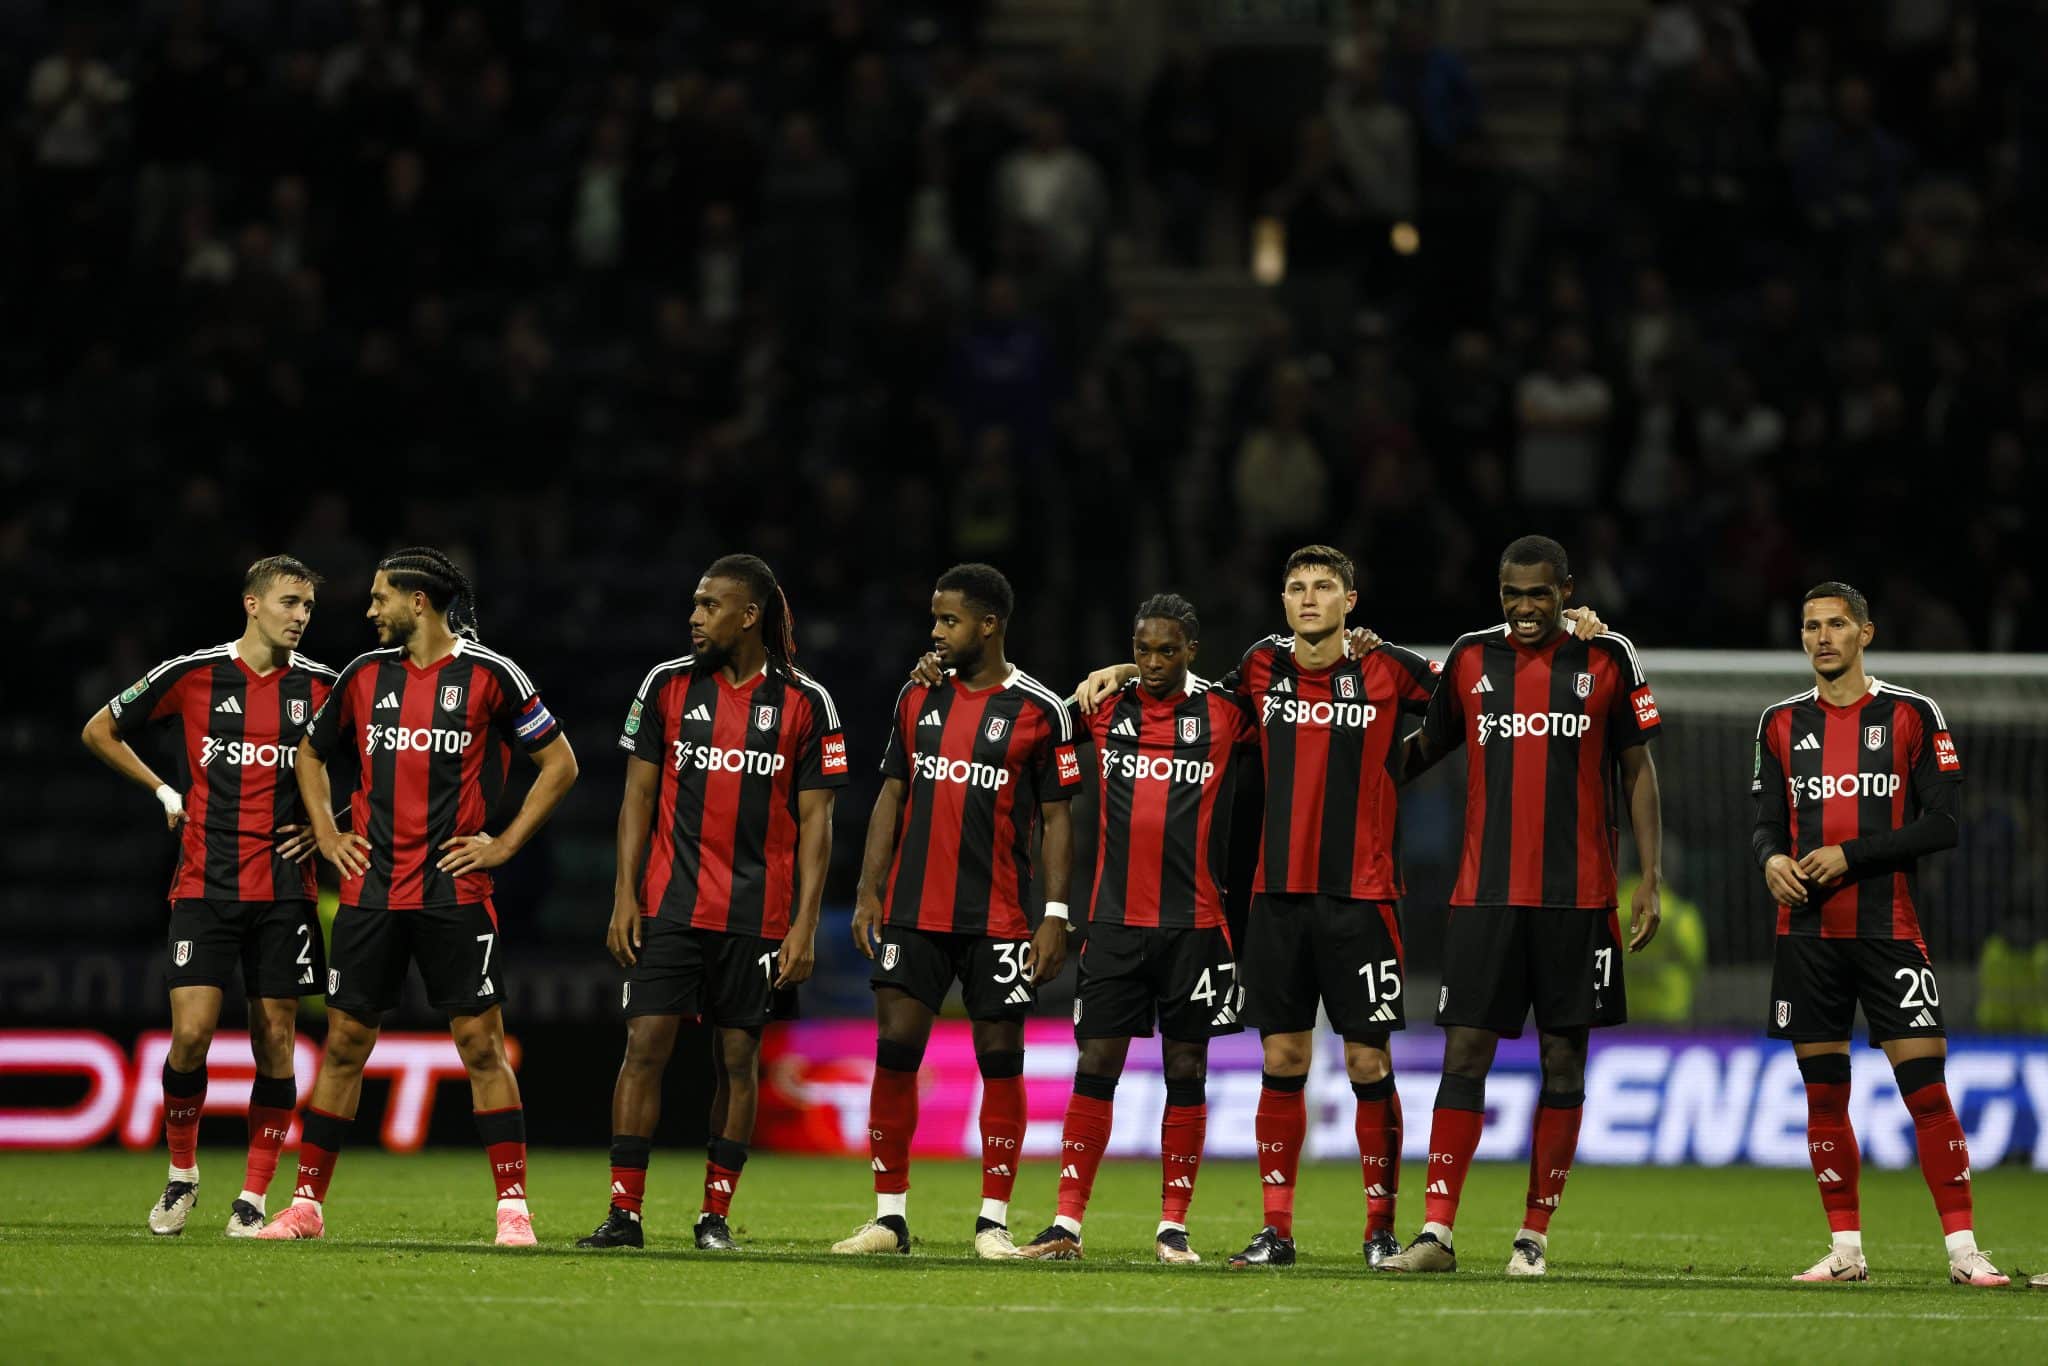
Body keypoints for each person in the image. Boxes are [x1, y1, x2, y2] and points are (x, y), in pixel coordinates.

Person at [1072, 547, 1597, 1269]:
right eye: (1296, 587)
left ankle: (1380, 1229)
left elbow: (1480, 682)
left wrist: (1575, 627)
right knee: (1283, 1056)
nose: (1309, 598)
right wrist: (1127, 672)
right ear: (1283, 602)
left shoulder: (1391, 667)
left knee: (1366, 1060)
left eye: (1324, 587)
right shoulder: (1259, 666)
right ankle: (1276, 1230)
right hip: (1277, 897)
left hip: (1364, 897)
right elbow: (1188, 693)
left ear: (1351, 600)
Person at [258, 548, 579, 1245]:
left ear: (419, 602)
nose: (370, 609)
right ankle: (306, 1206)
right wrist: (326, 832)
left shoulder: (492, 675)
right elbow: (310, 753)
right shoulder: (363, 675)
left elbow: (560, 763)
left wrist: (505, 844)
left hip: (454, 891)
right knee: (345, 1044)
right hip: (370, 892)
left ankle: (513, 1208)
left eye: (381, 597)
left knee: (480, 1044)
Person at [1380, 535, 1661, 1279]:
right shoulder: (1471, 657)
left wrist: (1650, 877)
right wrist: (1355, 775)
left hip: (1580, 899)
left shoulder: (1608, 656)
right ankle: (1436, 1232)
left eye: (1539, 593)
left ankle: (1533, 1235)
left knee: (1563, 1061)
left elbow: (1637, 768)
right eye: (1512, 593)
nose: (1525, 607)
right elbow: (1426, 745)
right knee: (1464, 1054)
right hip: (1485, 896)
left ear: (1566, 590)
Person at [579, 555, 846, 1252]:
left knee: (738, 1060)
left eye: (709, 605)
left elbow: (818, 823)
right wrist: (624, 896)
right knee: (644, 1046)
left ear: (749, 615)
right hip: (669, 906)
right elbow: (637, 797)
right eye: (694, 605)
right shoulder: (665, 685)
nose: (694, 618)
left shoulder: (807, 702)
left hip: (758, 915)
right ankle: (624, 1213)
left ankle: (714, 1215)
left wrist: (804, 926)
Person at [1749, 581, 2007, 1287]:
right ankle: (1845, 1251)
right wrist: (1771, 860)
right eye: (1811, 626)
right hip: (1806, 934)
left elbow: (1943, 824)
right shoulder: (1778, 723)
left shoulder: (1912, 714)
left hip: (1888, 930)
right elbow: (1766, 823)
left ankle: (1964, 1252)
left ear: (1865, 633)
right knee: (1823, 1097)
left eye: (1836, 624)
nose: (1822, 637)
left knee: (1926, 1090)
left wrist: (1850, 856)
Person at [832, 563, 1082, 1259]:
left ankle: (992, 1222)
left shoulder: (1041, 709)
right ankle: (889, 1218)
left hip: (998, 917)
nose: (937, 632)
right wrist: (868, 891)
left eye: (950, 620)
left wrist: (1054, 912)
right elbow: (891, 793)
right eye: (935, 620)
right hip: (913, 911)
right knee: (894, 1055)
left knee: (1001, 1062)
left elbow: (1058, 819)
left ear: (989, 624)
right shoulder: (918, 695)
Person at [81, 556, 335, 1237]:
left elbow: (384, 764)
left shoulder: (323, 687)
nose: (301, 616)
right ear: (252, 603)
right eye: (289, 602)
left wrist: (328, 826)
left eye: (308, 606)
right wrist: (164, 790)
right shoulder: (193, 674)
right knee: (191, 1035)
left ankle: (253, 1196)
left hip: (286, 890)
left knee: (276, 1039)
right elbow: (100, 728)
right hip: (205, 883)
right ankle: (182, 1174)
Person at [1014, 594, 1257, 1264]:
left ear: (1191, 652)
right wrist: (1110, 674)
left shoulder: (1225, 713)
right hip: (1115, 924)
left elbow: (1288, 707)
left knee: (1187, 1067)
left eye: (1166, 651)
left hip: (1196, 926)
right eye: (1141, 650)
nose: (1152, 663)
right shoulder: (1103, 708)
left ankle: (1173, 1227)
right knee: (1096, 1064)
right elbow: (1036, 717)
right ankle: (1065, 1224)